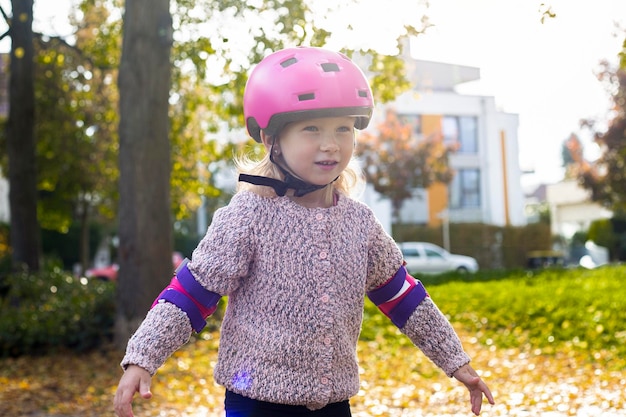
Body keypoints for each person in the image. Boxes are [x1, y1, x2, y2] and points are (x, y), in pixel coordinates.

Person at [113, 46, 495, 417]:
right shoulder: (248, 216)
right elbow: (192, 293)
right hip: (255, 400)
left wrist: (456, 362)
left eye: (343, 129)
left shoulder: (360, 224)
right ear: (271, 139)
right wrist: (143, 358)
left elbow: (404, 298)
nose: (330, 145)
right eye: (312, 129)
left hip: (333, 404)